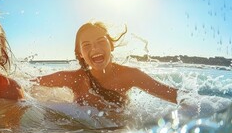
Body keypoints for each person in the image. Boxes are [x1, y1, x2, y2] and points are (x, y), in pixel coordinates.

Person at [33, 21, 178, 112]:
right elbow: (28, 84)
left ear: (111, 46)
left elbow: (174, 95)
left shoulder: (130, 75)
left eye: (101, 42)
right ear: (81, 54)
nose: (95, 49)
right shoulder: (73, 78)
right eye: (87, 45)